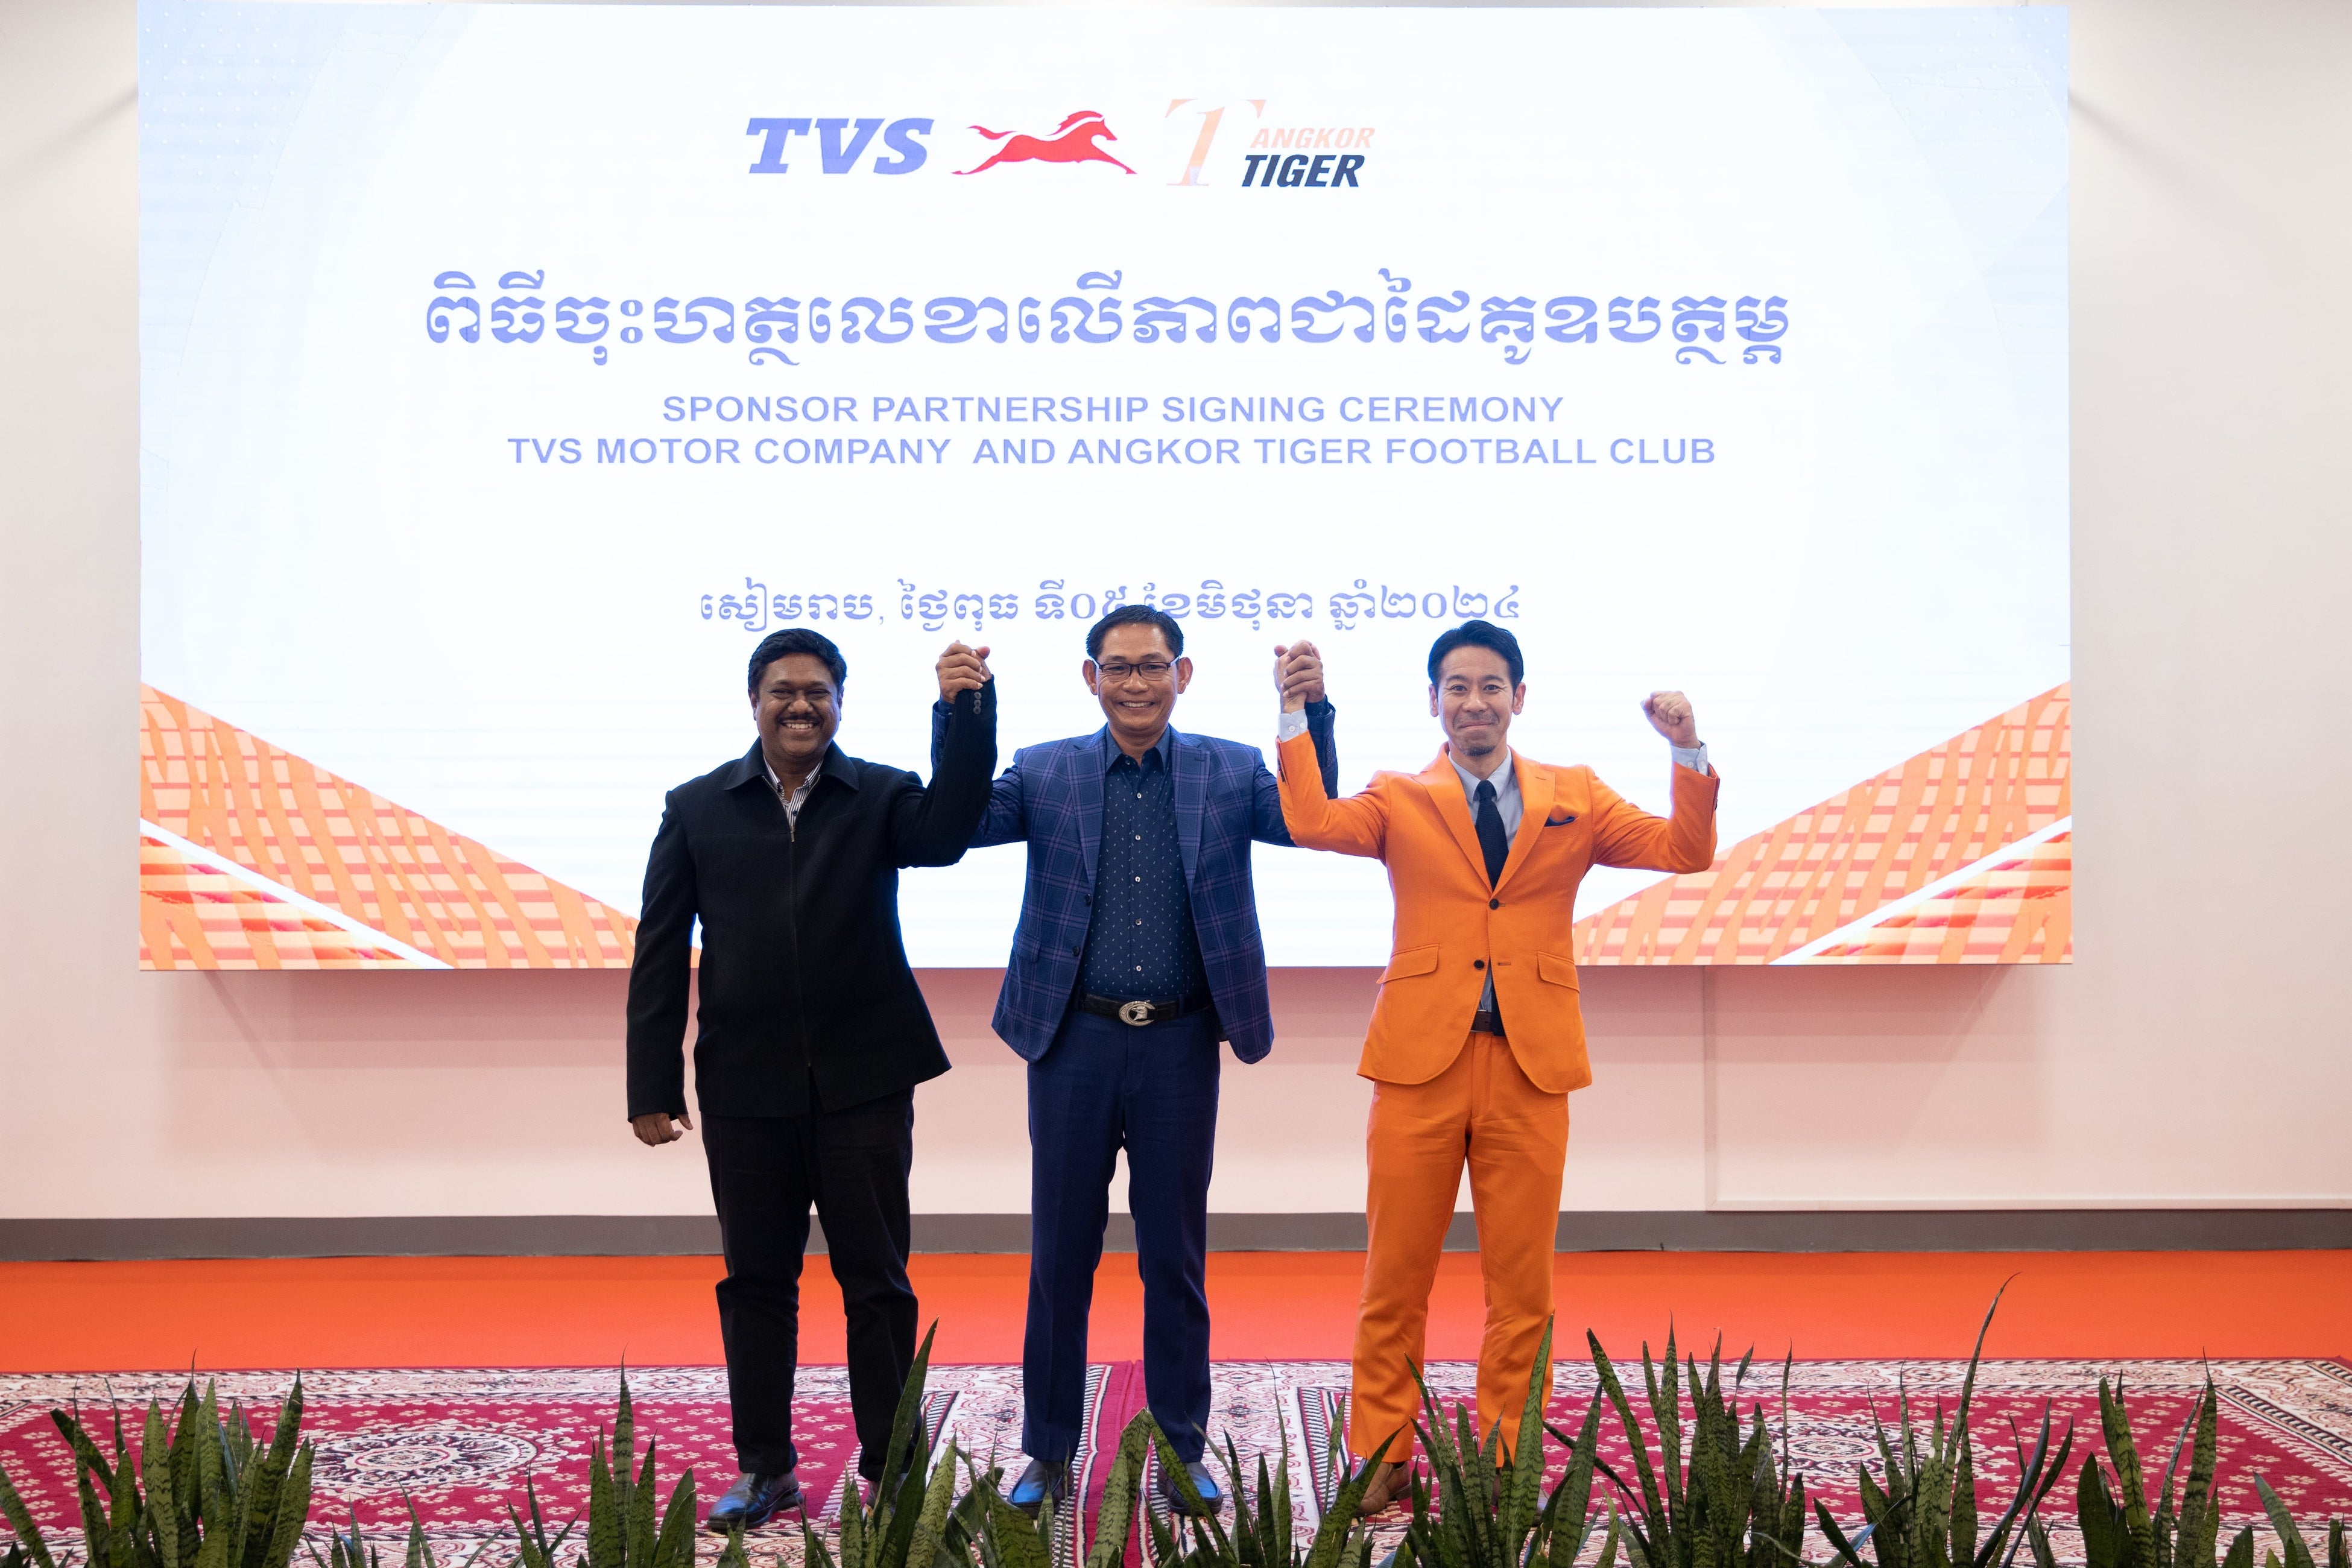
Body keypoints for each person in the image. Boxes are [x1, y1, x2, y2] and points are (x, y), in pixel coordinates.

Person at [1268, 619, 1718, 1515]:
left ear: (1519, 697)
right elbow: (1310, 821)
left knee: (1523, 1289)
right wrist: (1294, 714)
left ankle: (1503, 1463)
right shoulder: (1400, 796)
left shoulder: (1576, 795)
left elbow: (1686, 851)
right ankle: (1383, 1454)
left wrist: (1686, 749)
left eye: (1490, 687)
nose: (1474, 703)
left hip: (1530, 1066)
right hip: (1418, 1067)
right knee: (1394, 1280)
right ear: (1434, 701)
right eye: (1457, 688)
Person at [934, 604, 1337, 1517]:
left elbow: (1309, 821)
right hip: (1072, 1042)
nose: (1135, 683)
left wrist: (1306, 713)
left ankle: (1182, 1448)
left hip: (1181, 1047)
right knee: (1059, 1258)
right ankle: (1046, 1451)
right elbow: (958, 824)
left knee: (1174, 1260)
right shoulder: (1045, 770)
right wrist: (962, 712)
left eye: (1152, 666)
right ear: (1091, 678)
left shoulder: (1231, 769)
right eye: (1117, 668)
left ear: (1182, 675)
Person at [627, 627, 997, 1531]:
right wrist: (652, 1085)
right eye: (783, 692)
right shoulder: (696, 806)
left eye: (818, 693)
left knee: (878, 1283)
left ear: (839, 703)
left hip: (865, 1081)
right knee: (756, 1284)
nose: (800, 707)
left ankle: (891, 1469)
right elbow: (660, 947)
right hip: (744, 1088)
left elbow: (950, 833)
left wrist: (967, 712)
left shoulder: (881, 795)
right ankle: (766, 1469)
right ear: (754, 701)